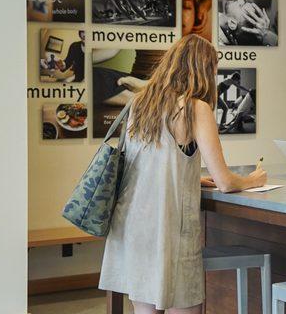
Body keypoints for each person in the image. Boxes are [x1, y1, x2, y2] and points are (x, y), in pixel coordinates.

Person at [98, 34, 267, 314]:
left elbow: (149, 163)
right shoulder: (195, 108)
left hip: (133, 226)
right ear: (203, 70)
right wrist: (253, 179)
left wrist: (190, 176)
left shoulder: (140, 104)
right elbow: (225, 182)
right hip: (169, 228)